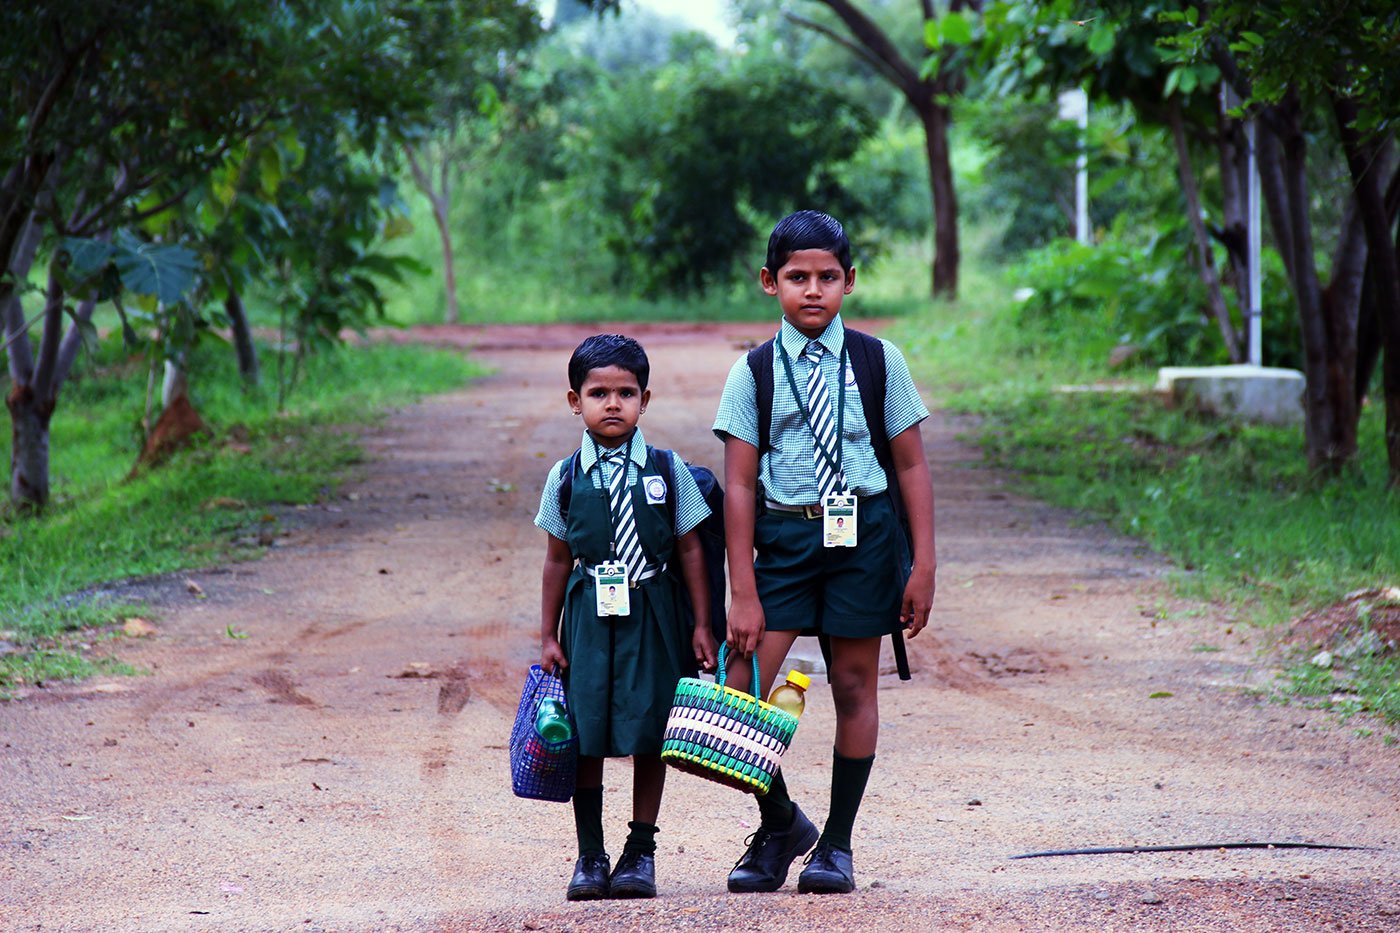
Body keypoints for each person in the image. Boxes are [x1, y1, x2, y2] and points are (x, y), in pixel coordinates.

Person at [712, 210, 936, 894]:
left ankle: (835, 843)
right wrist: (741, 587)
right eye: (797, 277)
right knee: (737, 687)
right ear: (768, 281)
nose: (813, 290)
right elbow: (741, 481)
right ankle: (781, 819)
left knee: (854, 684)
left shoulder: (878, 360)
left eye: (828, 277)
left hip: (862, 538)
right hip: (782, 538)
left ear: (850, 281)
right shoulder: (752, 371)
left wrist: (923, 563)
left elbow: (911, 467)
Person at [535, 334, 719, 901]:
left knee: (649, 730)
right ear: (575, 401)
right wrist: (547, 635)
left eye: (626, 393)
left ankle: (640, 852)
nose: (612, 404)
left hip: (653, 616)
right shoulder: (564, 478)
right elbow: (555, 560)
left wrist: (701, 623)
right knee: (585, 733)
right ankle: (590, 855)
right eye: (598, 393)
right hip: (589, 618)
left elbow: (691, 550)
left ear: (645, 399)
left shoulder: (668, 470)